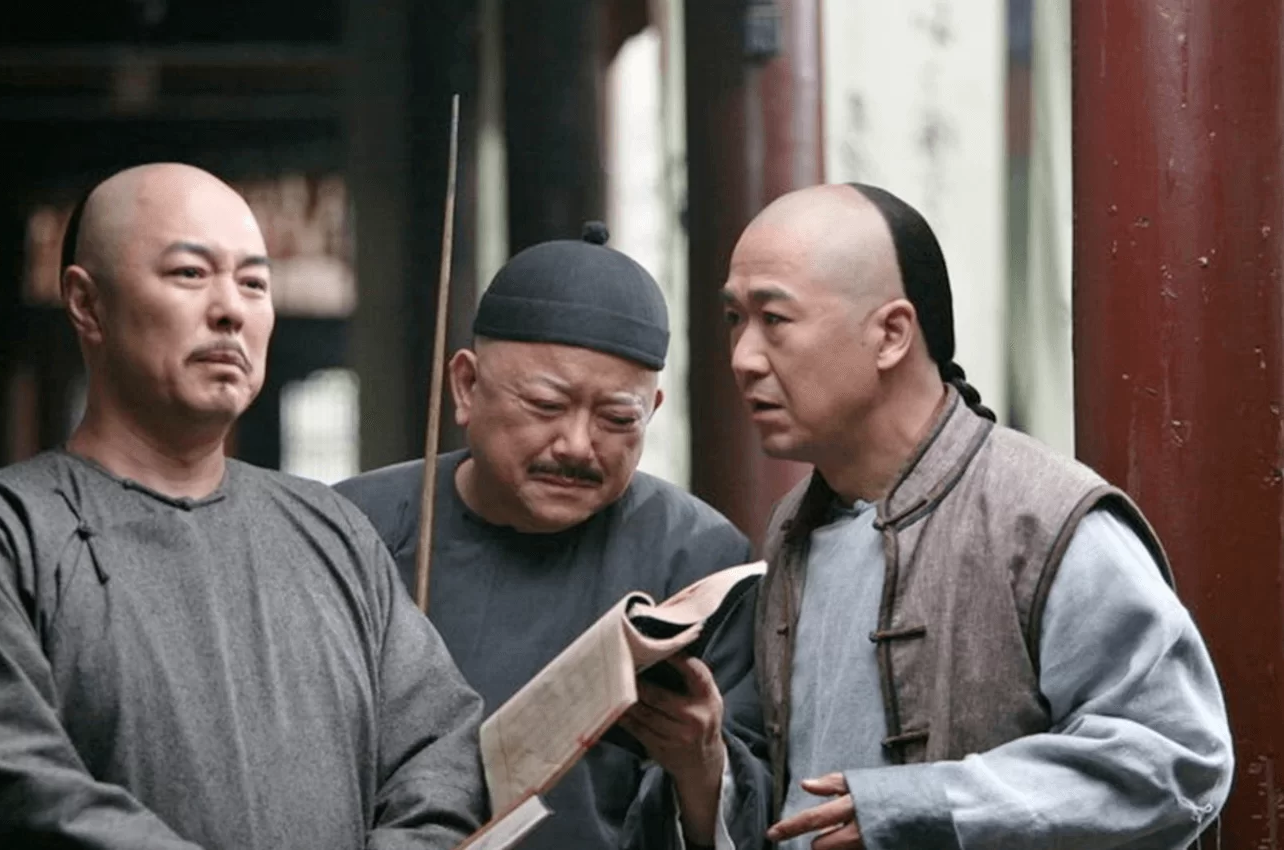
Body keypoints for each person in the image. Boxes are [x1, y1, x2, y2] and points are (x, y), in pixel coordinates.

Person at [0, 163, 487, 850]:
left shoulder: (332, 531)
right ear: (86, 303)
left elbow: (439, 752)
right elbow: (10, 799)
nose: (231, 309)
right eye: (190, 273)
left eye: (254, 283)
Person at [640, 181, 1235, 849]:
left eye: (774, 320)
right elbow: (786, 803)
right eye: (733, 319)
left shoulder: (1039, 517)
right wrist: (700, 758)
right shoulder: (792, 527)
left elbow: (1177, 756)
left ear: (892, 334)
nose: (743, 358)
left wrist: (923, 805)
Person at [333, 223, 763, 850]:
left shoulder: (697, 555)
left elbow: (747, 812)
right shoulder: (352, 527)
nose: (578, 446)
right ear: (466, 386)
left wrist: (701, 761)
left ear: (651, 412)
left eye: (617, 418)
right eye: (545, 405)